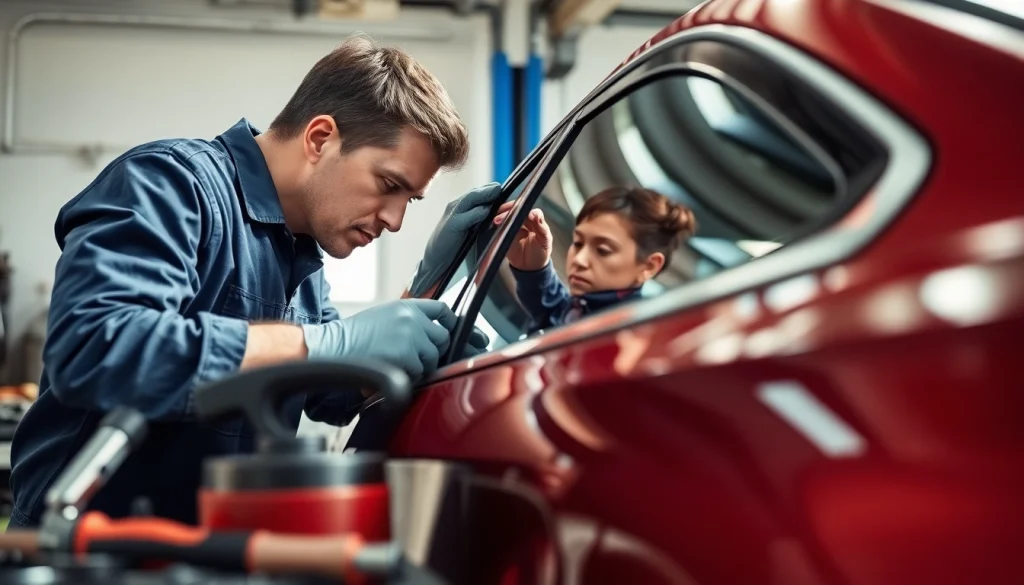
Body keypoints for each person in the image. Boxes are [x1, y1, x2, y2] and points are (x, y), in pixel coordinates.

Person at [7, 34, 499, 529]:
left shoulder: (301, 256)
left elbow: (334, 394)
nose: (394, 220)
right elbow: (96, 349)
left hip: (207, 552)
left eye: (409, 201)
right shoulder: (172, 185)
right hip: (86, 551)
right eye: (390, 185)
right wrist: (319, 342)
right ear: (320, 138)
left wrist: (426, 293)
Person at [494, 186, 697, 333]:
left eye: (603, 250)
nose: (580, 260)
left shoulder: (631, 335)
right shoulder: (581, 309)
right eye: (578, 243)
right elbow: (555, 311)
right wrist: (533, 270)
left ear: (649, 266)